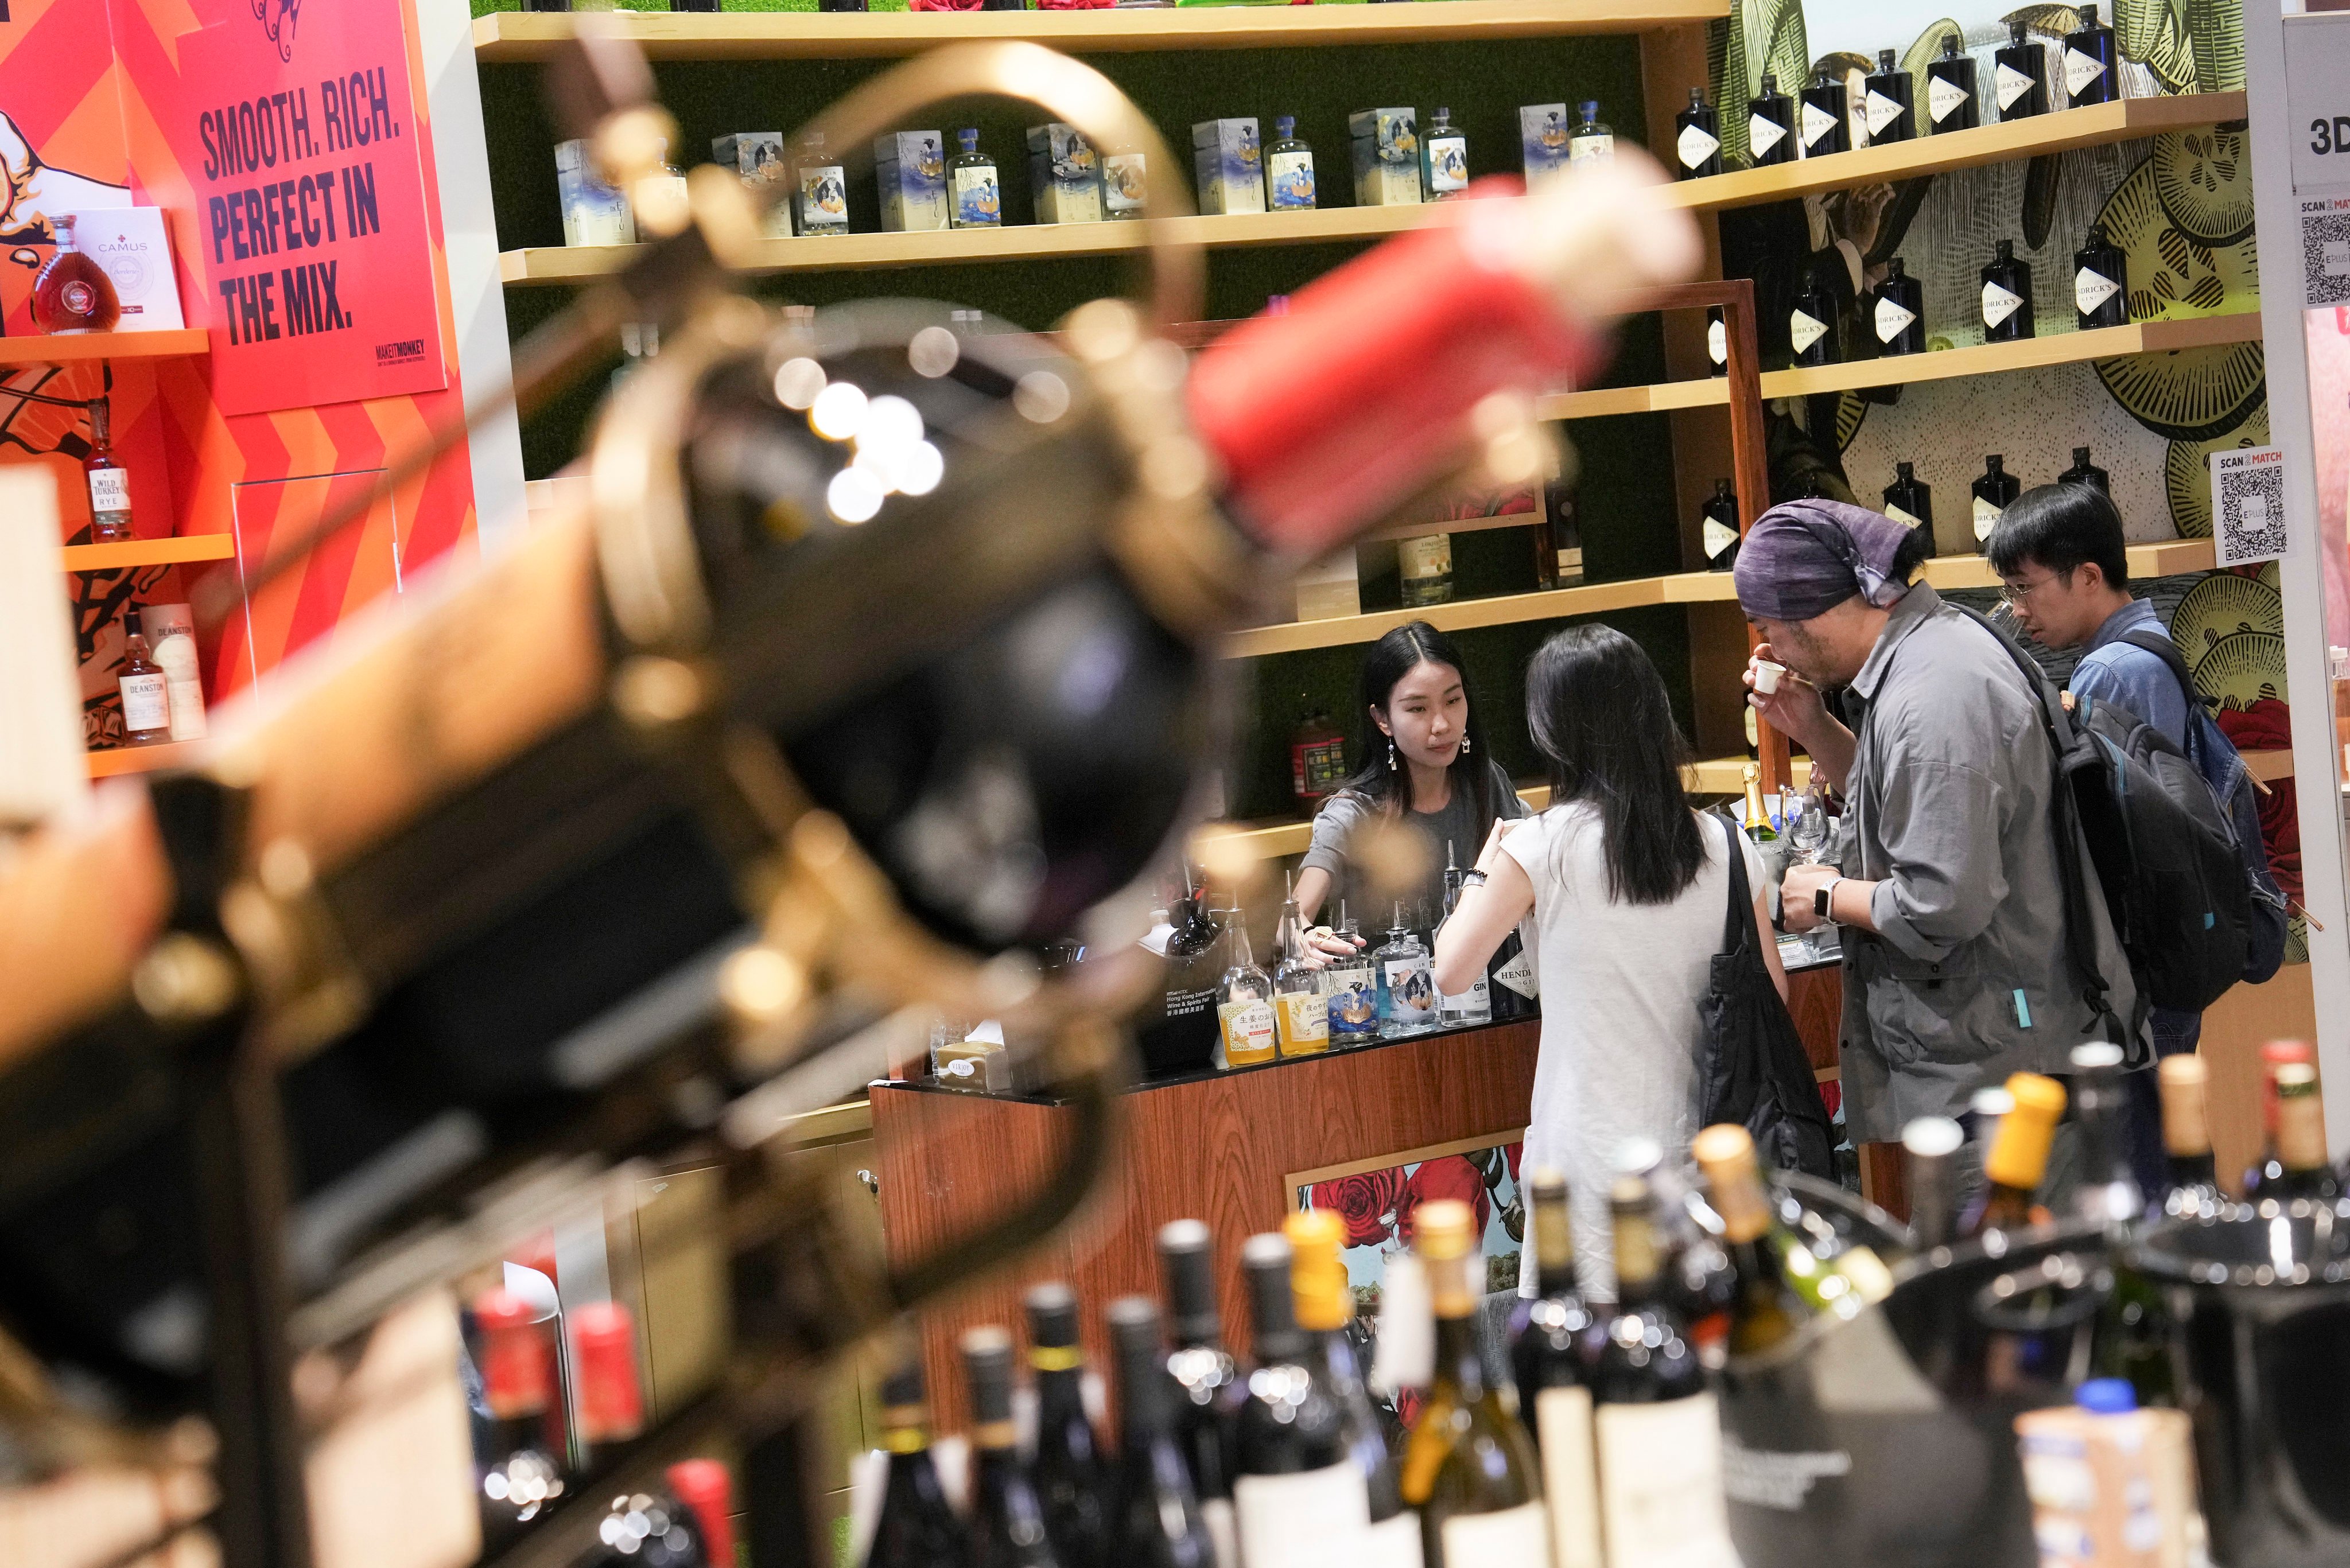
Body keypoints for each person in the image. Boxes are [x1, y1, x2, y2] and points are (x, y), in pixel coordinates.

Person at [1735, 498, 2139, 1170]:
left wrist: (1831, 896)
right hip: (1996, 1053)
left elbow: (1942, 904)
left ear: (1814, 609)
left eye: (1768, 625)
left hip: (1997, 1076)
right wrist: (1811, 726)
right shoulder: (1936, 650)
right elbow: (1902, 799)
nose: (1769, 646)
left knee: (2006, 1269)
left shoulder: (1935, 697)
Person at [1434, 625, 1784, 1299]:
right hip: (1708, 1155)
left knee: (1598, 1374)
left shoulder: (1540, 846)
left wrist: (1481, 871)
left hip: (1591, 1161)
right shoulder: (1727, 841)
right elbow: (1772, 993)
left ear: (1553, 731)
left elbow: (1449, 970)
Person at [1988, 483, 2270, 1195]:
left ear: (2088, 575)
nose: (2019, 613)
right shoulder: (2149, 647)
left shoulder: (2114, 671)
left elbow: (2109, 840)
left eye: (2027, 589)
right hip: (2170, 950)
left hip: (2145, 967)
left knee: (2142, 1175)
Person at [1294, 621, 1529, 940]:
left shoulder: (1487, 782)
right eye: (1418, 708)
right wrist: (1303, 935)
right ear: (1383, 720)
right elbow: (1291, 920)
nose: (1442, 724)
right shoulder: (1353, 812)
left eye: (1453, 701)